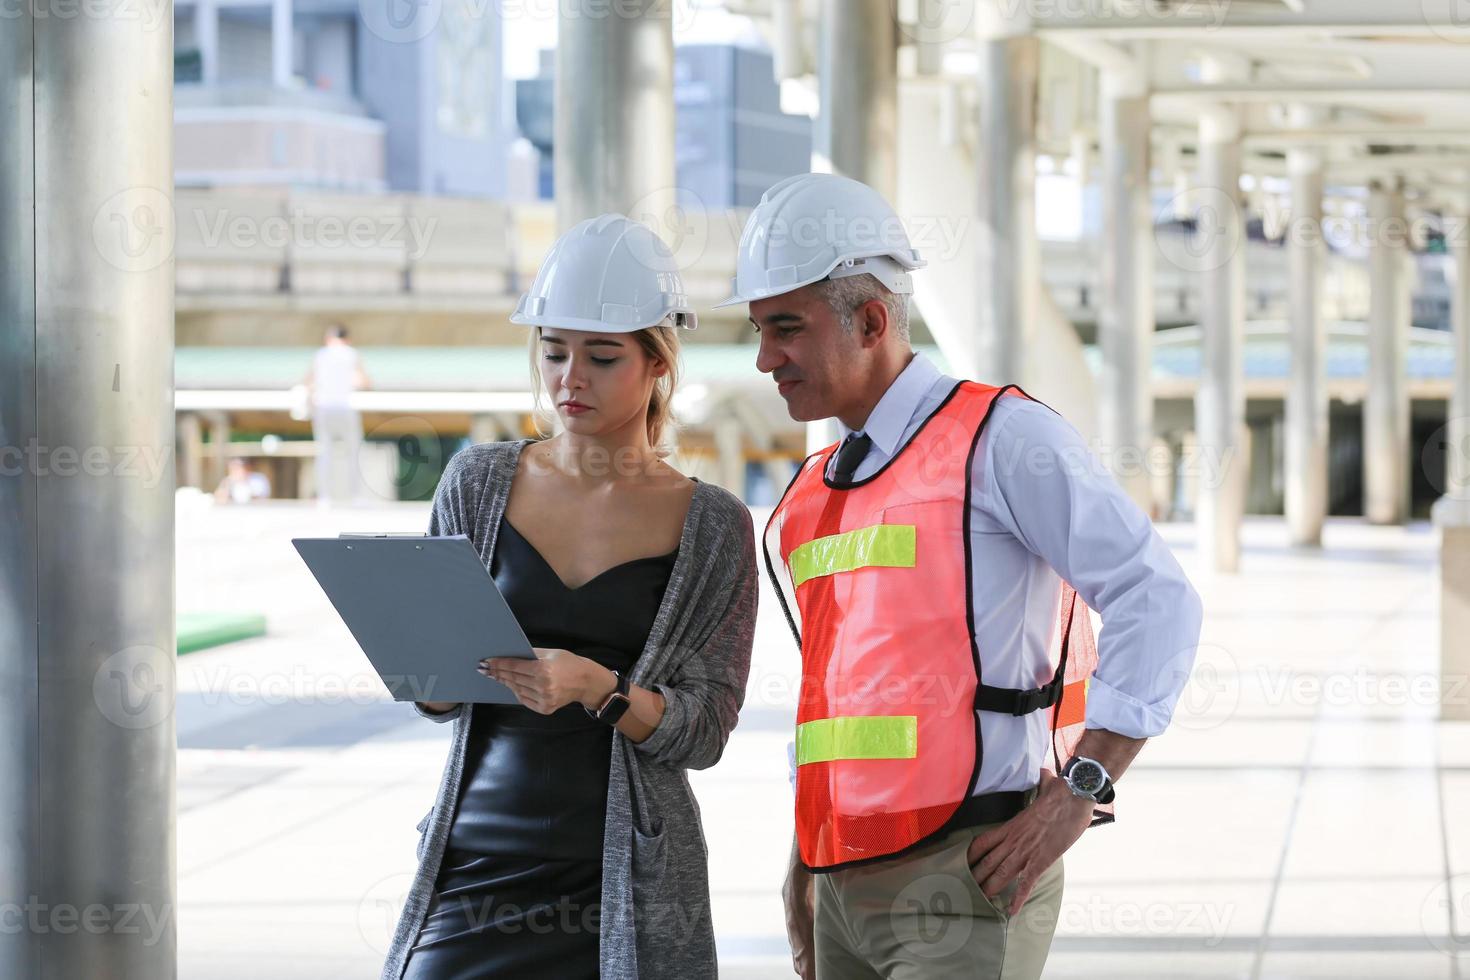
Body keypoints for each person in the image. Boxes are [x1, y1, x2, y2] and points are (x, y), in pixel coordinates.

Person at [717, 173, 1205, 979]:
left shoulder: (1003, 438)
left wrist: (1080, 789)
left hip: (968, 871)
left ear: (872, 320)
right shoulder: (814, 494)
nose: (767, 358)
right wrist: (805, 853)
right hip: (838, 878)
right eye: (761, 331)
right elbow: (842, 700)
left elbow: (1158, 597)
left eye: (786, 329)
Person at [380, 215, 758, 980]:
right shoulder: (477, 482)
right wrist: (421, 661)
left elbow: (706, 730)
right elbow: (439, 699)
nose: (569, 380)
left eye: (602, 357)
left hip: (626, 874)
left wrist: (602, 689)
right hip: (475, 857)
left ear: (657, 362)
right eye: (553, 353)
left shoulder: (713, 524)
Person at [304, 324, 370, 505]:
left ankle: (324, 497)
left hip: (323, 408)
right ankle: (356, 497)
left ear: (328, 339)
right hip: (346, 408)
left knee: (324, 453)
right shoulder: (351, 353)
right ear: (347, 339)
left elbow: (308, 382)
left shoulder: (321, 354)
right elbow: (365, 382)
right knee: (354, 452)